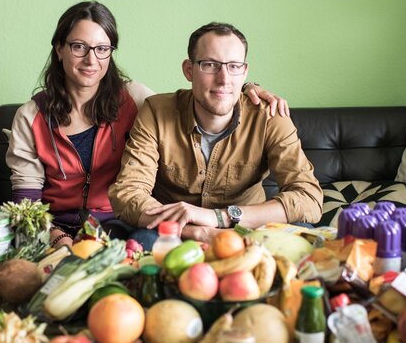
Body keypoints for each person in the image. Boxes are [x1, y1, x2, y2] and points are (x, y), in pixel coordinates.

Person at [6, 3, 289, 249]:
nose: (91, 59)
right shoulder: (30, 118)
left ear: (111, 52)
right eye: (79, 47)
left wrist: (248, 89)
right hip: (50, 229)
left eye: (102, 48)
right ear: (59, 49)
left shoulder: (136, 99)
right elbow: (25, 208)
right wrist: (57, 238)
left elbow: (199, 100)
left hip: (116, 226)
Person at [108, 22, 323, 248]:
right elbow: (129, 193)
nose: (223, 78)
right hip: (178, 233)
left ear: (244, 71)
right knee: (143, 241)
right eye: (210, 65)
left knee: (306, 237)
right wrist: (196, 232)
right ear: (189, 70)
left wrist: (219, 218)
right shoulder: (156, 111)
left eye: (233, 66)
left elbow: (308, 198)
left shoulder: (270, 116)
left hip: (249, 231)